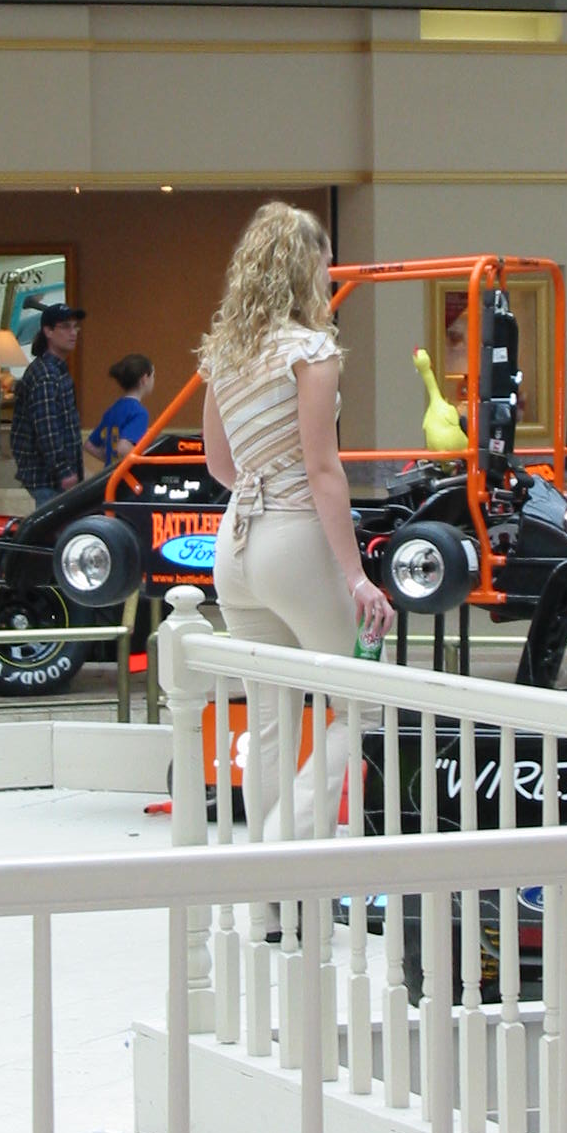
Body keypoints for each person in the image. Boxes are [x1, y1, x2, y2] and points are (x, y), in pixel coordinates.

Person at [199, 202, 395, 861]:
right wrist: (356, 577)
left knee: (269, 719)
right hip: (292, 537)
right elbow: (323, 470)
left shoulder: (225, 353)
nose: (330, 272)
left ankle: (267, 886)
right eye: (326, 261)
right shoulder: (312, 351)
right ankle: (285, 853)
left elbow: (219, 464)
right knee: (365, 703)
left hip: (236, 543)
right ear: (305, 266)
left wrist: (260, 489)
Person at [9, 302, 86, 505]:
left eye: (75, 327)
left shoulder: (56, 370)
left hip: (52, 477)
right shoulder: (45, 375)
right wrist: (64, 471)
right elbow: (47, 428)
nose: (73, 333)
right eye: (65, 327)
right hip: (48, 478)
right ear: (48, 331)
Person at [87, 353, 155, 465]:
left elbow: (89, 445)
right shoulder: (139, 413)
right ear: (144, 379)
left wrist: (111, 462)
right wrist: (144, 463)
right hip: (125, 475)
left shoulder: (112, 410)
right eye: (153, 376)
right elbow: (123, 448)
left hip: (111, 474)